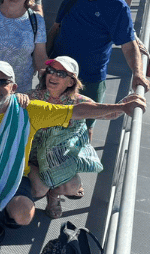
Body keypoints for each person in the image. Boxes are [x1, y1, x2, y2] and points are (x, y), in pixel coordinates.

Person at [0, 61, 146, 225]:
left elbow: (78, 111)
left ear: (13, 87)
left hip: (14, 176)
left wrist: (123, 106)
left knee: (24, 216)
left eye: (1, 82)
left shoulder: (30, 110)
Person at [47, 0, 150, 136]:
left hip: (90, 78)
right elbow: (55, 28)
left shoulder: (117, 8)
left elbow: (128, 44)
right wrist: (44, 61)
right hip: (58, 75)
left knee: (85, 128)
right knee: (49, 121)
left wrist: (138, 74)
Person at [27, 56, 98, 219]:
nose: (53, 76)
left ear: (71, 82)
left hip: (59, 160)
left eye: (61, 73)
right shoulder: (32, 96)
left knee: (72, 187)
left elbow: (107, 113)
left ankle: (54, 196)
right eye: (51, 71)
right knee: (39, 188)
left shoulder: (80, 103)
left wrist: (126, 106)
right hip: (32, 158)